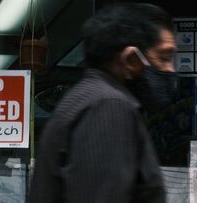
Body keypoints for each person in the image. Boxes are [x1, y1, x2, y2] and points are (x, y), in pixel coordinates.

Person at [29, 3, 177, 203]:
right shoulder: (109, 107)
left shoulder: (90, 98)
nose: (170, 70)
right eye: (164, 57)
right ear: (131, 59)